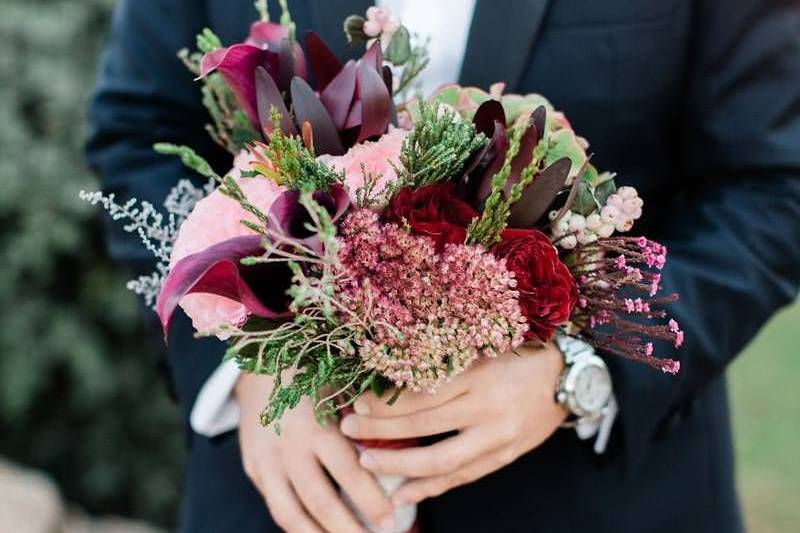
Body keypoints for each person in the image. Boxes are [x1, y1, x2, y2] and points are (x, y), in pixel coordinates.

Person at [86, 1, 800, 532]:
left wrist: (583, 369)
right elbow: (138, 133)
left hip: (599, 499)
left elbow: (772, 185)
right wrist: (246, 365)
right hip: (284, 499)